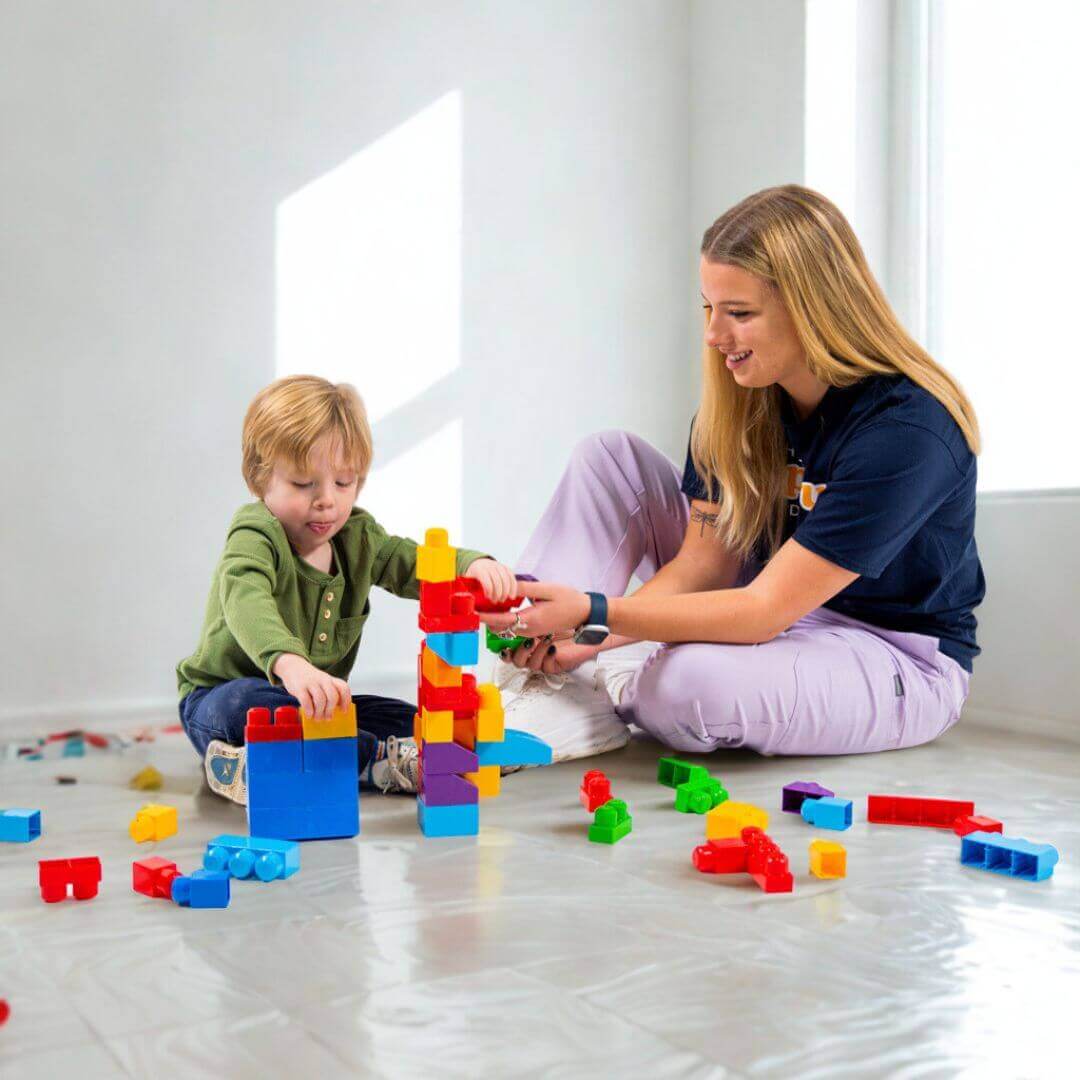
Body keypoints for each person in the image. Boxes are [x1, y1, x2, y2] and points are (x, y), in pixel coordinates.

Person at [487, 184, 985, 760]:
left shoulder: (909, 428)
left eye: (740, 313)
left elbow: (764, 611)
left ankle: (614, 689)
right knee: (610, 457)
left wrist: (599, 614)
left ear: (813, 307)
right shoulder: (745, 403)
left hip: (889, 653)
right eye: (710, 307)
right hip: (767, 599)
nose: (714, 336)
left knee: (687, 687)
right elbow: (705, 565)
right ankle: (542, 673)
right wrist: (584, 634)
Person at [177, 374, 517, 803]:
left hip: (317, 707)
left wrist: (471, 565)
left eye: (344, 482)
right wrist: (290, 665)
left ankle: (449, 750)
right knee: (251, 703)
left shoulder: (357, 537)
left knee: (404, 717)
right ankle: (374, 761)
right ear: (261, 480)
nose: (327, 501)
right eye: (304, 484)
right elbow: (246, 598)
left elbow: (410, 560)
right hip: (222, 700)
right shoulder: (255, 534)